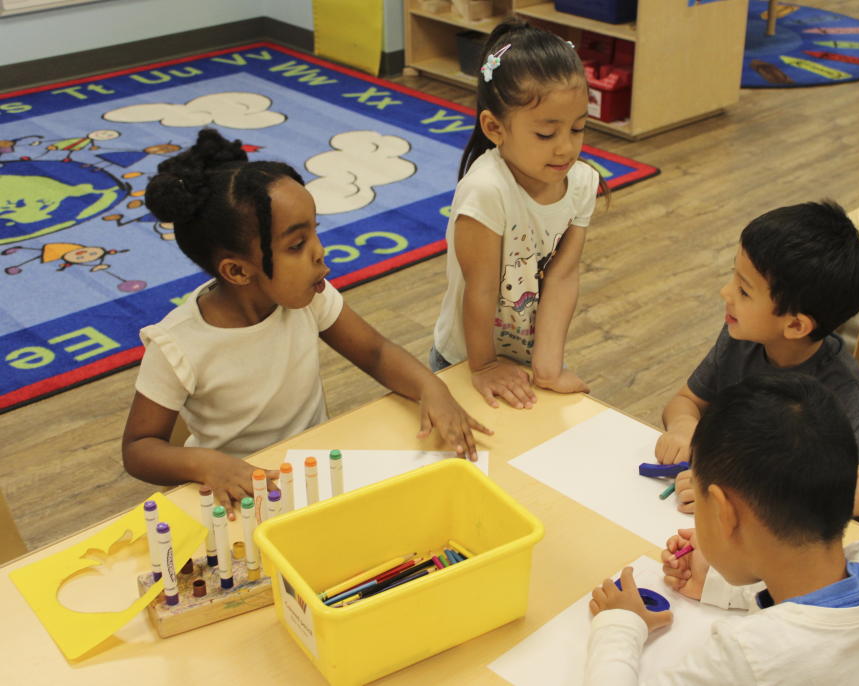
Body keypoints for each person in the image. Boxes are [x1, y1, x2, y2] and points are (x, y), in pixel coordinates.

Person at [122, 129, 491, 516]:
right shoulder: (176, 344)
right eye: (296, 245)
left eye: (315, 230)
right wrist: (207, 464)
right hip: (243, 497)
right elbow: (139, 448)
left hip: (316, 471)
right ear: (236, 270)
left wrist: (431, 388)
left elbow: (377, 353)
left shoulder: (309, 297)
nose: (319, 251)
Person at [587, 374, 859, 685]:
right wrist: (717, 584)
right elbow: (810, 594)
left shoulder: (747, 655)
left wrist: (620, 625)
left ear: (722, 511)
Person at [654, 201, 859, 516]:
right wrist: (683, 426)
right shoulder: (741, 338)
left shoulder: (842, 388)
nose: (725, 292)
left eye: (744, 291)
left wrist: (740, 488)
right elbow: (686, 399)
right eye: (734, 277)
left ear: (796, 325)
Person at [431, 17, 602, 410]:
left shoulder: (581, 183)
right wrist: (485, 365)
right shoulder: (486, 190)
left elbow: (562, 274)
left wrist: (548, 367)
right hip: (466, 360)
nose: (565, 148)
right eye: (546, 134)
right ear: (494, 127)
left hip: (525, 359)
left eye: (578, 129)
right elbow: (482, 288)